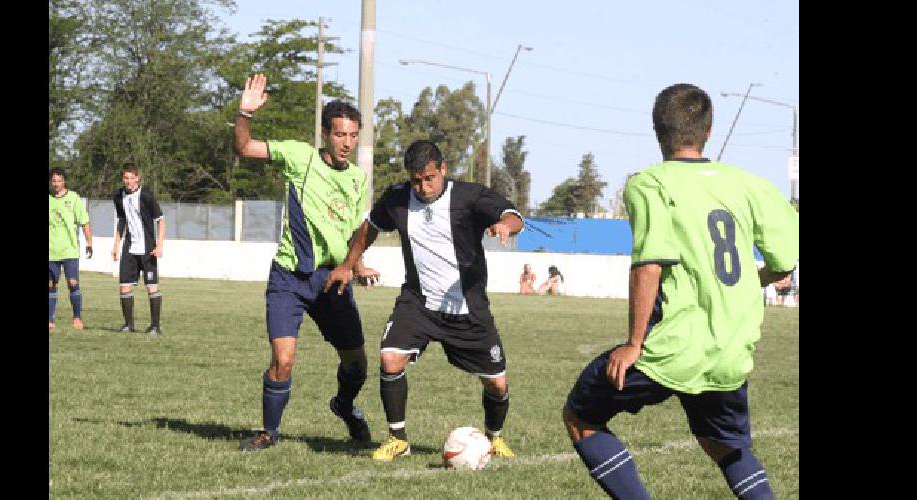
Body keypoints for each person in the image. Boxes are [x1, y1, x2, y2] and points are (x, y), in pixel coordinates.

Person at [561, 83, 799, 499]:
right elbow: (784, 259)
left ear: (657, 130)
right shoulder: (748, 184)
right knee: (724, 443)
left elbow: (650, 262)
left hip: (671, 344)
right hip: (729, 345)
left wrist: (635, 342)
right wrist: (756, 280)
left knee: (581, 416)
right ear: (708, 131)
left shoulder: (649, 184)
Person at [324, 139, 525, 462]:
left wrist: (504, 226)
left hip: (467, 310)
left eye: (429, 178)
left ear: (442, 169)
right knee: (390, 359)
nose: (423, 187)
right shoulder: (398, 199)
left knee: (497, 384)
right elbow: (370, 227)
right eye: (416, 180)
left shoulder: (468, 196)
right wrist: (348, 265)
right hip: (418, 303)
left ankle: (494, 438)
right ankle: (398, 439)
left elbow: (513, 214)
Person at [232, 73, 380, 451]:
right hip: (289, 279)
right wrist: (245, 112)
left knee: (357, 366)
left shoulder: (358, 180)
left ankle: (344, 407)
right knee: (283, 360)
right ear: (325, 134)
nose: (346, 143)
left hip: (333, 281)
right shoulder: (300, 157)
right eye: (339, 134)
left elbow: (353, 232)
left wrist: (357, 265)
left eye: (353, 135)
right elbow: (245, 148)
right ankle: (269, 432)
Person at [111, 163, 167, 337]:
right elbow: (122, 221)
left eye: (131, 178)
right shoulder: (118, 196)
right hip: (129, 248)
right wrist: (116, 245)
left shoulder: (146, 196)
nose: (128, 181)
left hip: (147, 248)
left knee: (152, 287)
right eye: (125, 178)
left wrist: (159, 245)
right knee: (124, 287)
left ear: (137, 178)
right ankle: (129, 325)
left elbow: (161, 220)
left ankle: (155, 326)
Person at [49, 168, 93, 331]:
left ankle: (77, 317)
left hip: (69, 250)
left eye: (59, 180)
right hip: (51, 251)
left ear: (64, 181)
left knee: (72, 283)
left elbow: (84, 222)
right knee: (51, 284)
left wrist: (89, 243)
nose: (56, 184)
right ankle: (50, 320)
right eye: (54, 181)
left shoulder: (74, 198)